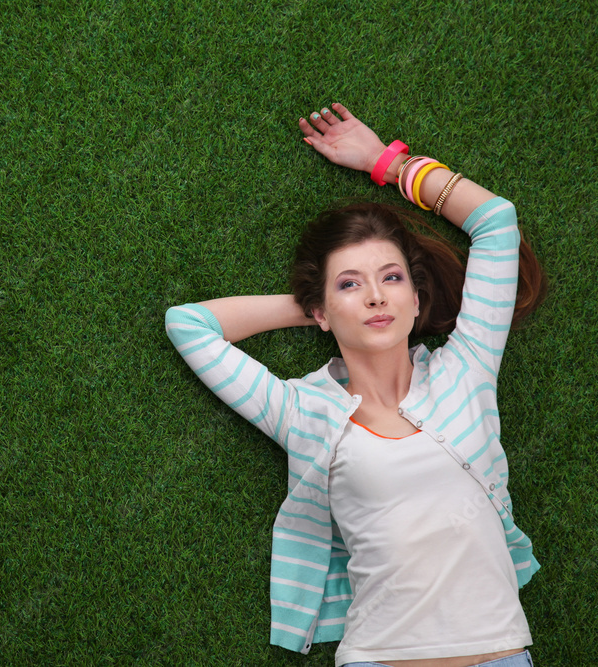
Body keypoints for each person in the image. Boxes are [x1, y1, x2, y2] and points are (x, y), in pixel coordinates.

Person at [165, 103, 547, 667]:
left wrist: (385, 162)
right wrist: (317, 306)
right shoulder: (302, 412)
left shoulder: (466, 369)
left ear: (416, 300)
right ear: (321, 309)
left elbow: (496, 220)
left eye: (391, 278)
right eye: (352, 284)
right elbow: (189, 324)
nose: (375, 296)